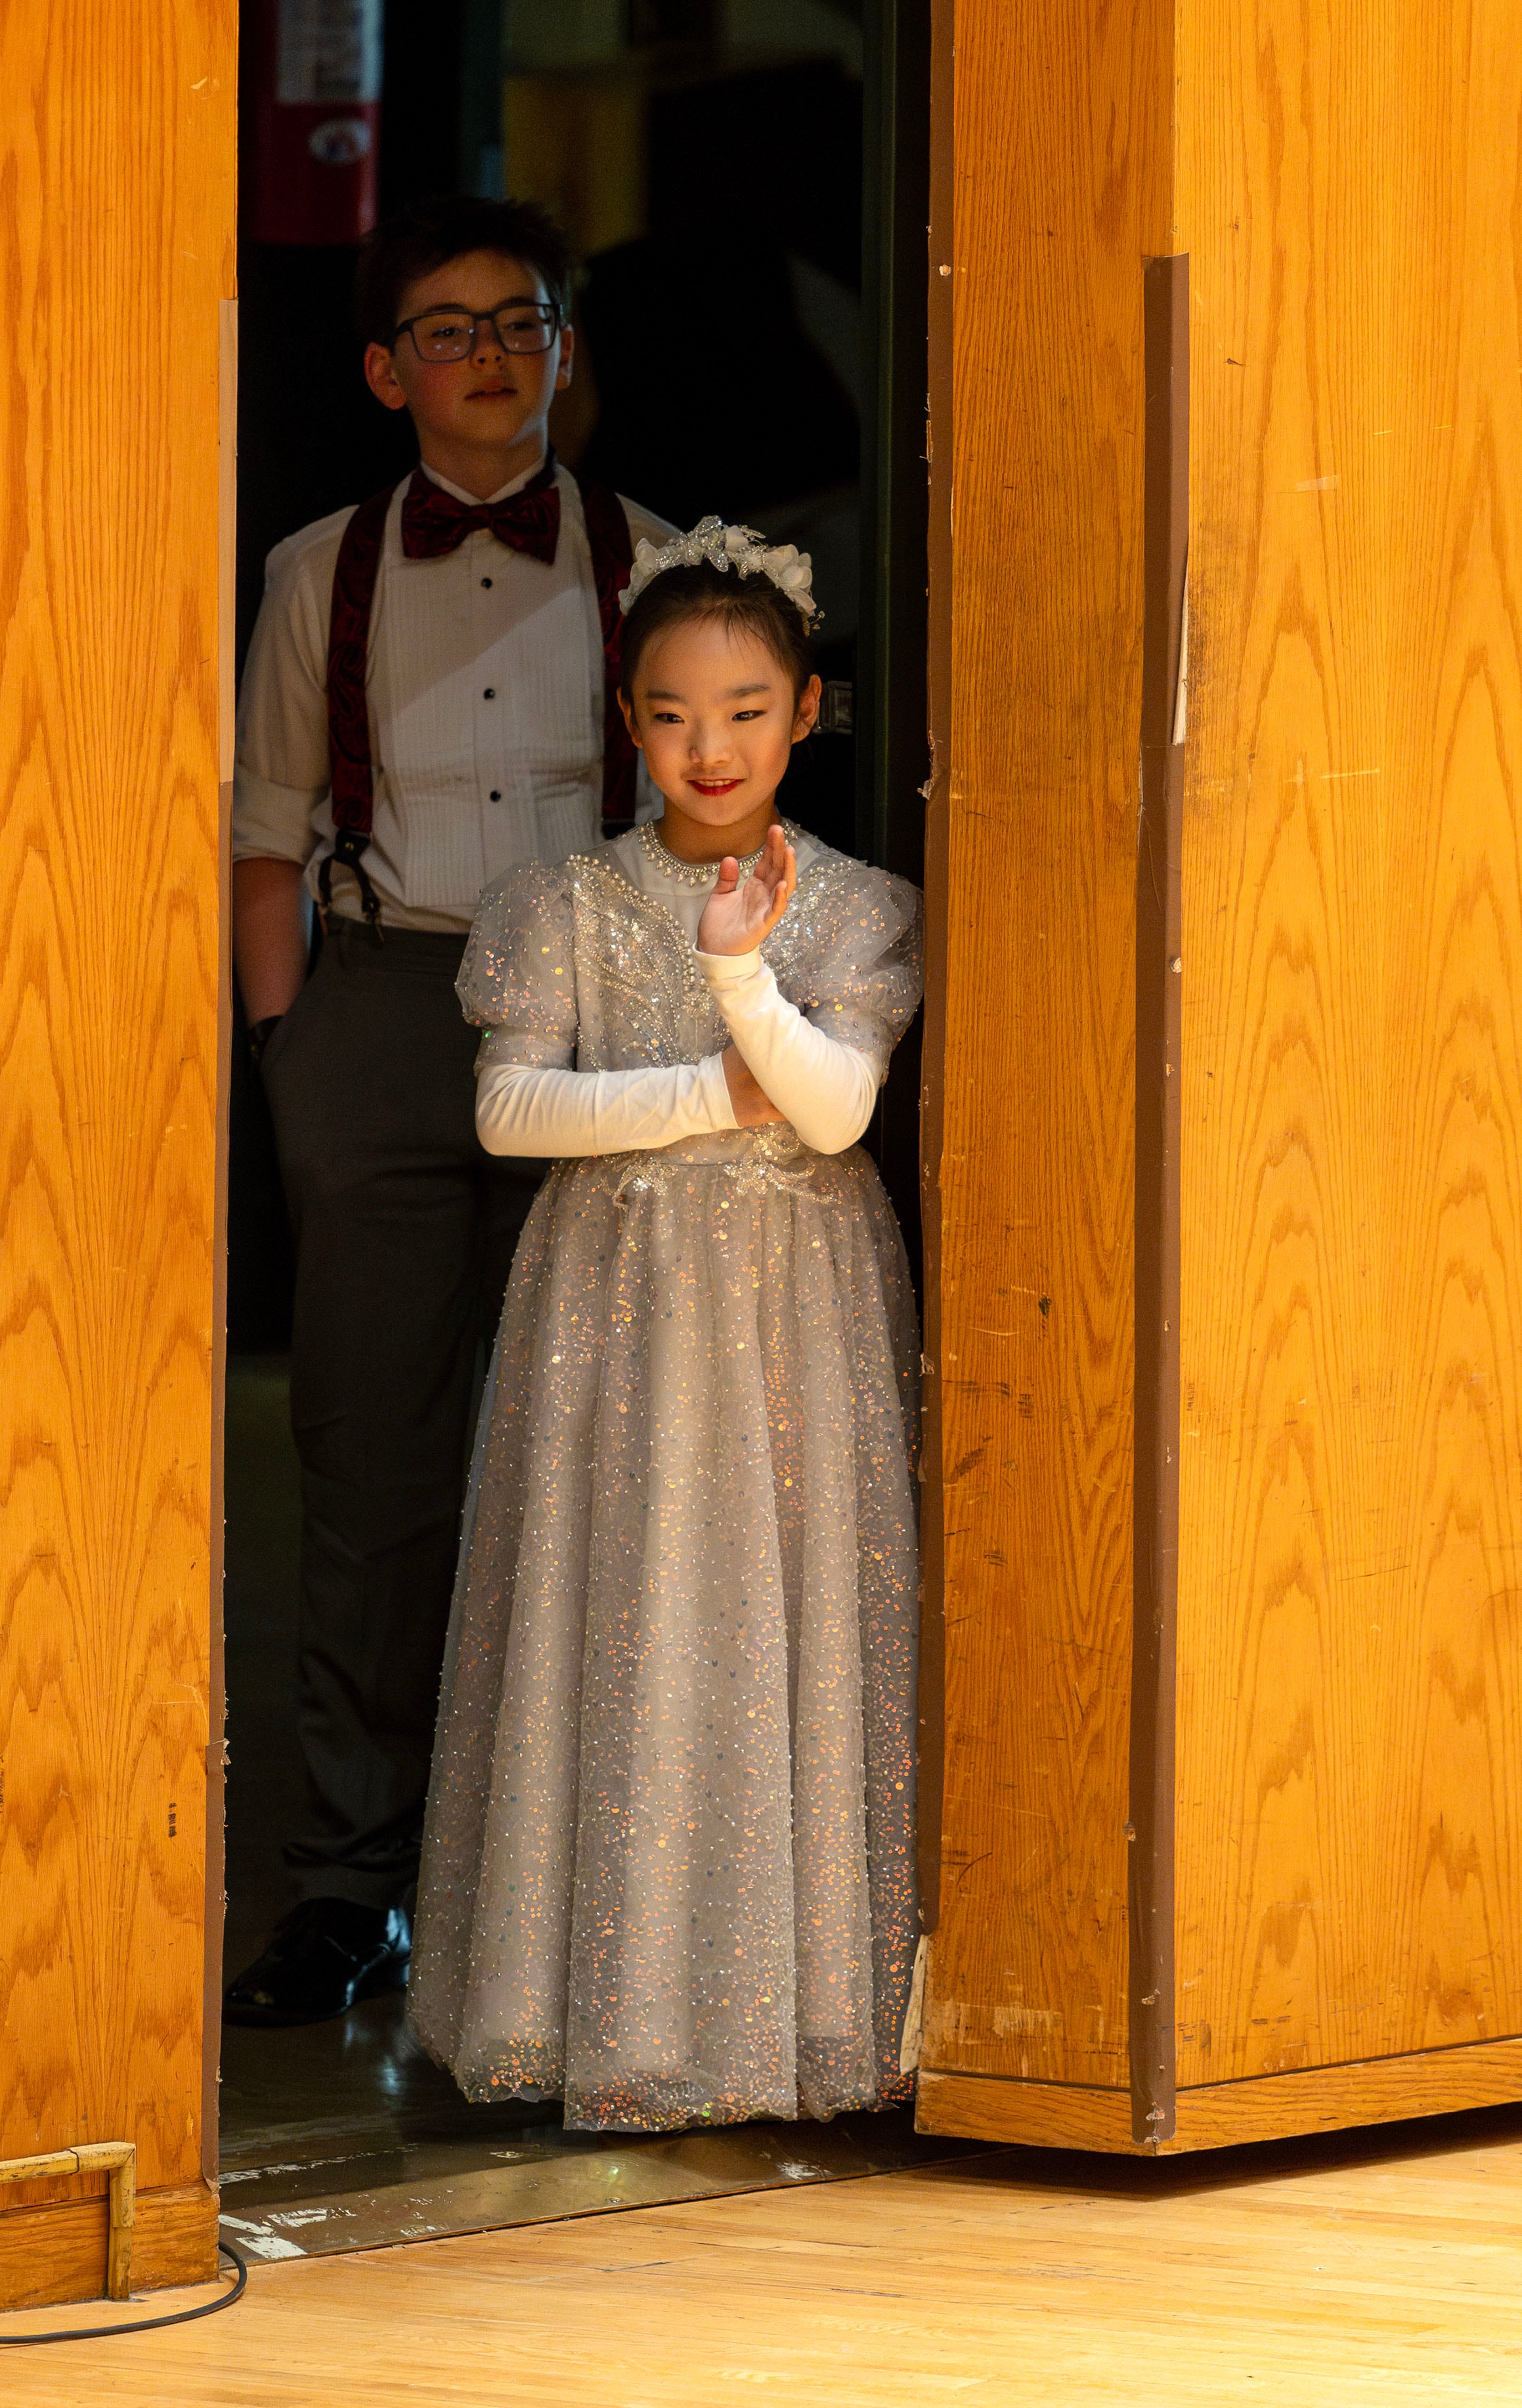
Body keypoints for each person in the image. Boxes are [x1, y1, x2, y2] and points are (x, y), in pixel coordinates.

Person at [409, 518, 923, 2128]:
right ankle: (602, 2014)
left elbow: (833, 1118)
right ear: (628, 720)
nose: (714, 749)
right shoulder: (559, 902)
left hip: (794, 1306)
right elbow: (509, 1112)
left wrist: (742, 981)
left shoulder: (854, 907)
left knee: (780, 1611)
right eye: (677, 714)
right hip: (614, 1309)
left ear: (809, 711)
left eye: (750, 710)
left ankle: (799, 2016)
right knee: (619, 1612)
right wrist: (717, 1087)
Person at [225, 194, 668, 2029]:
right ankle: (347, 1890)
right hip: (388, 1006)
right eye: (451, 326)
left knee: (609, 1459)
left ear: (564, 347)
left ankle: (594, 1897)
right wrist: (293, 1058)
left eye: (522, 319)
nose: (491, 353)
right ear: (387, 368)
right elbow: (264, 829)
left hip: (603, 1011)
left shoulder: (661, 556)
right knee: (375, 1469)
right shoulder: (318, 565)